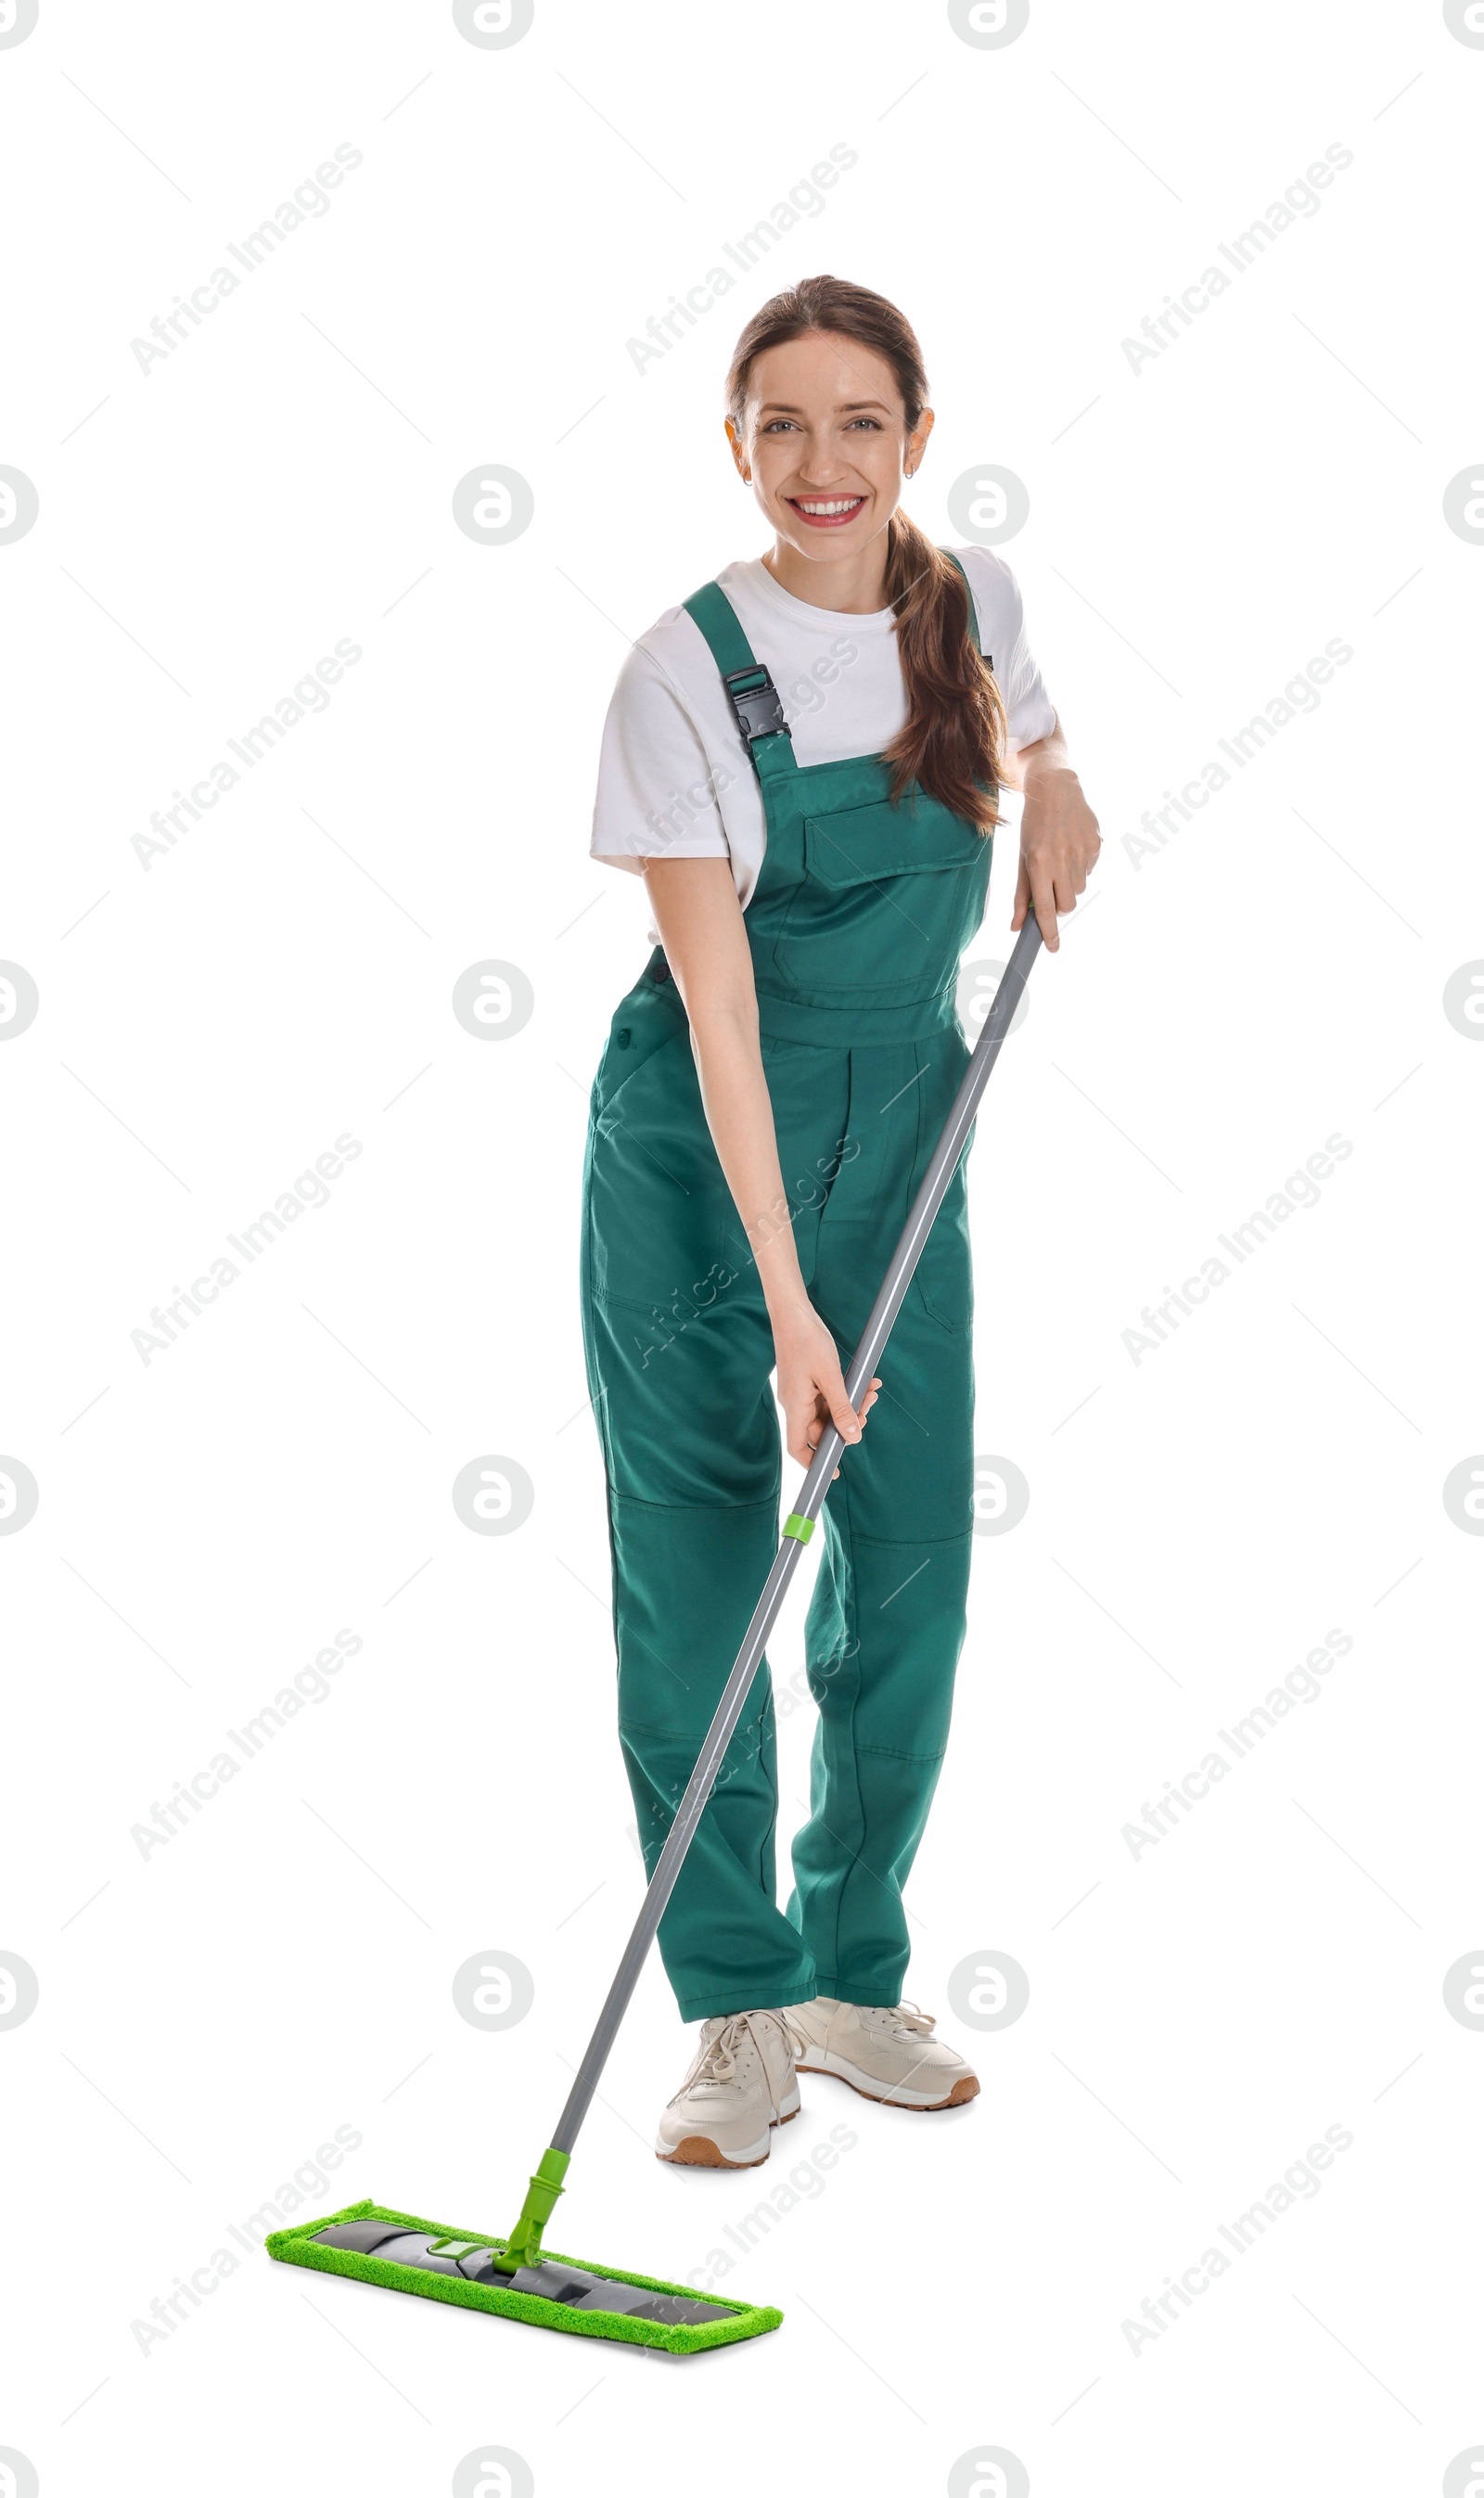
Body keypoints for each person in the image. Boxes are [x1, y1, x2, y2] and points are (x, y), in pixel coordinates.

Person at [582, 274, 1099, 2168]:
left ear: (914, 436)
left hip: (905, 1135)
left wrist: (1057, 786)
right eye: (779, 425)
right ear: (735, 447)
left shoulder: (964, 605)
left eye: (857, 423)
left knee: (905, 1569)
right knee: (708, 1573)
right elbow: (717, 1013)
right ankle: (729, 2010)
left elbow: (1028, 739)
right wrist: (791, 1311)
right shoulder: (676, 672)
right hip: (702, 1156)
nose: (821, 462)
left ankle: (842, 1977)